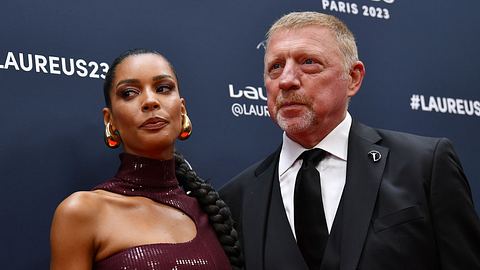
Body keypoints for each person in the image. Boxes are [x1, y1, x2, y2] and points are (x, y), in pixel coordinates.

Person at [220, 11, 480, 270]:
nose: (286, 80)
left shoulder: (424, 165)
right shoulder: (235, 199)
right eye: (275, 67)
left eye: (308, 62)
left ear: (353, 78)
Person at [50, 49, 242, 270]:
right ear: (110, 120)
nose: (150, 101)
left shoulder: (212, 214)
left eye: (163, 88)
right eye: (129, 93)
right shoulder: (82, 212)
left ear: (182, 110)